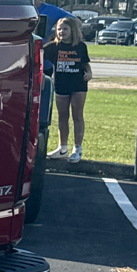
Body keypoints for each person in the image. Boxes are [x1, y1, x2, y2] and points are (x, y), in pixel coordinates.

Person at [44, 15, 91, 162]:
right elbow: (36, 53)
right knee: (62, 116)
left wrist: (89, 73)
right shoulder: (53, 47)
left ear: (72, 30)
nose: (62, 32)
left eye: (65, 29)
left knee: (77, 115)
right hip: (61, 85)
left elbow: (85, 64)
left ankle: (77, 149)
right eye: (59, 29)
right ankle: (62, 148)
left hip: (78, 85)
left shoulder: (80, 46)